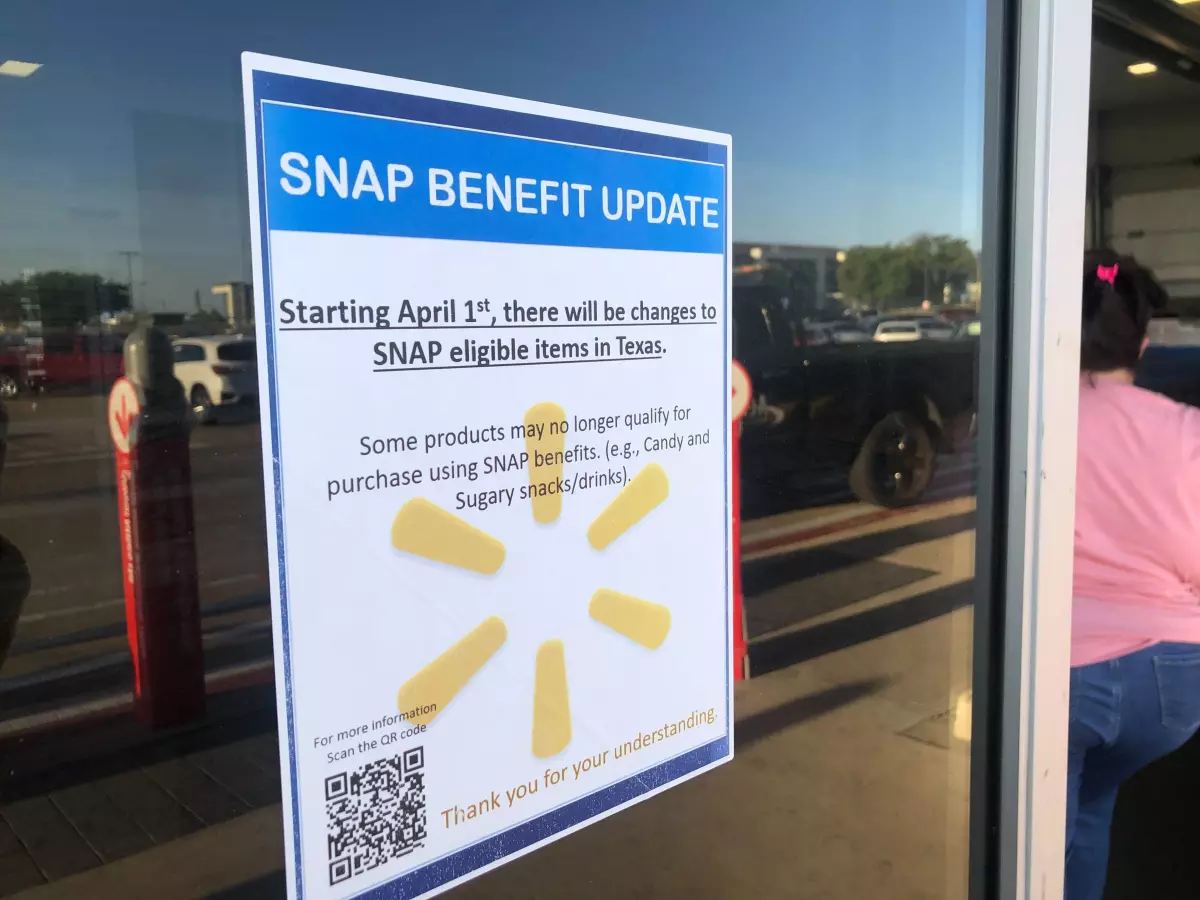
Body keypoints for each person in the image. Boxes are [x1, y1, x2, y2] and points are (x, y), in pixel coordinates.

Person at [1066, 251, 1200, 899]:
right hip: (1172, 686)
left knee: (1041, 832)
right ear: (1142, 346)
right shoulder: (1187, 430)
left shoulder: (1027, 423)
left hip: (1062, 673)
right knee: (1093, 809)